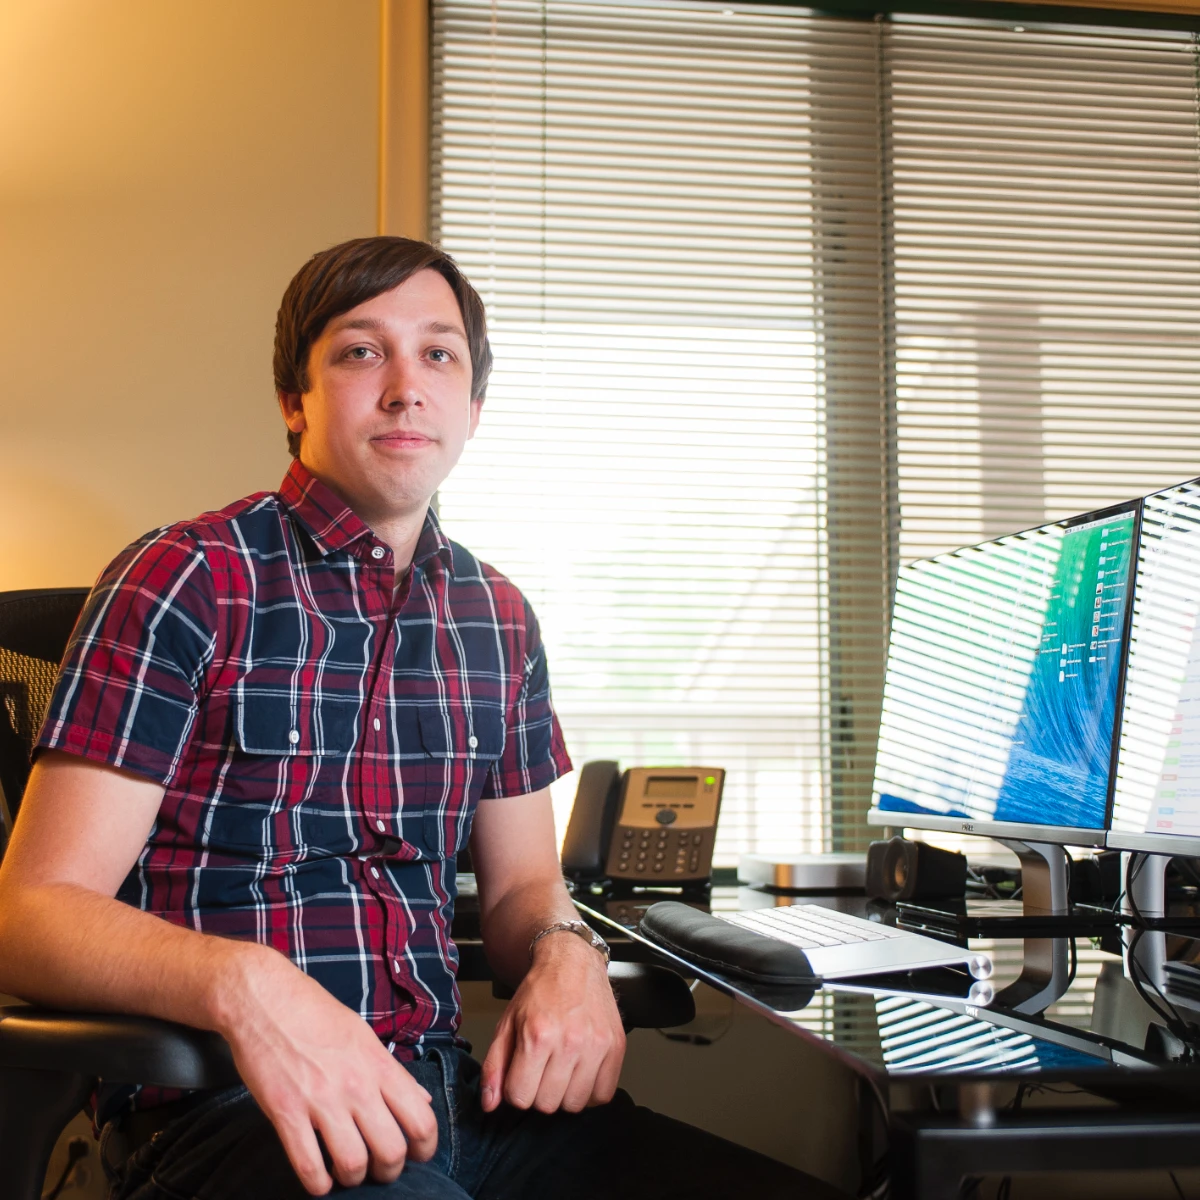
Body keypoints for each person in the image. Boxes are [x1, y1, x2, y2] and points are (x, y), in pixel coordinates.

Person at [0, 237, 847, 1200]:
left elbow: (524, 885)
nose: (406, 387)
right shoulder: (186, 579)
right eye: (362, 352)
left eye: (439, 354)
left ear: (473, 408)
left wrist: (571, 951)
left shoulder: (500, 618)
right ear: (295, 399)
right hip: (236, 1113)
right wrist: (253, 987)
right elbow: (32, 914)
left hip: (457, 1103)